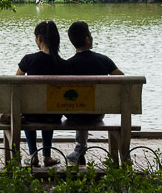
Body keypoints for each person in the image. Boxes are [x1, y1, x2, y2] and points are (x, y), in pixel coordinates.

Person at [64, 21, 123, 165]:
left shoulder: (67, 65)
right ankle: (114, 157)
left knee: (78, 105)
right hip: (97, 113)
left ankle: (80, 149)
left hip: (74, 114)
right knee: (87, 105)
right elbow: (122, 79)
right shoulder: (104, 60)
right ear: (87, 40)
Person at [16, 20, 65, 167]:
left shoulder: (28, 60)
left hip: (31, 114)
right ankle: (47, 156)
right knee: (50, 107)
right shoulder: (62, 63)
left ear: (40, 39)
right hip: (54, 115)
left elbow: (16, 83)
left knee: (29, 109)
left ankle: (33, 155)